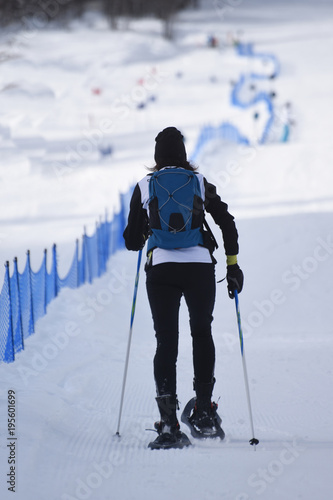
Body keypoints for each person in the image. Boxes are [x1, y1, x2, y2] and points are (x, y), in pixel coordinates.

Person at [123, 127, 243, 448]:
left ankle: (168, 426)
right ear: (185, 155)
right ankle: (203, 412)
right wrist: (232, 265)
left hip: (161, 269)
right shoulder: (200, 183)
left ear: (156, 157)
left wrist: (148, 229)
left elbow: (132, 241)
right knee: (202, 333)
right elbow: (226, 221)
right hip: (200, 269)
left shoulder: (145, 185)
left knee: (166, 341)